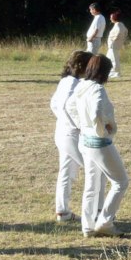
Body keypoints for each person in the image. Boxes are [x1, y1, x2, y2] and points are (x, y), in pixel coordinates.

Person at [65, 54, 129, 237]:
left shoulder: (81, 86)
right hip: (99, 143)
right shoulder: (98, 90)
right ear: (104, 72)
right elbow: (97, 113)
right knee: (121, 182)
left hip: (85, 141)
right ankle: (105, 222)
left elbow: (70, 107)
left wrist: (82, 125)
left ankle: (88, 226)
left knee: (91, 185)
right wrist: (104, 130)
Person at [50, 51, 95, 223]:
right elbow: (61, 106)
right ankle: (96, 213)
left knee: (67, 171)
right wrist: (77, 124)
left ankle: (63, 211)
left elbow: (54, 104)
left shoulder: (67, 81)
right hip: (71, 134)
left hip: (63, 131)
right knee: (96, 171)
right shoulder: (73, 83)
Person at [106, 10, 127, 78]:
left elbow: (118, 33)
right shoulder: (120, 25)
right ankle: (111, 72)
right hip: (114, 45)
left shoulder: (118, 25)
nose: (110, 19)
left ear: (114, 18)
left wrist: (113, 39)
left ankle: (116, 73)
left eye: (111, 17)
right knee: (109, 59)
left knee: (114, 59)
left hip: (114, 45)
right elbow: (126, 32)